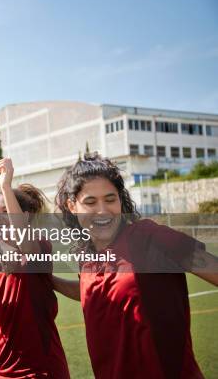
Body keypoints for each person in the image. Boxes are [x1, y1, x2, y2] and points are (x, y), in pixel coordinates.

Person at [55, 152, 218, 379]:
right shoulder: (87, 257)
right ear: (72, 206)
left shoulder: (149, 237)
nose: (102, 210)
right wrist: (50, 280)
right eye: (90, 202)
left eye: (110, 199)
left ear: (121, 201)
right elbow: (92, 292)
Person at [0, 157, 70, 378]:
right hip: (1, 371)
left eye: (5, 211)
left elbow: (26, 244)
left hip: (42, 370)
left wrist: (4, 187)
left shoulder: (39, 243)